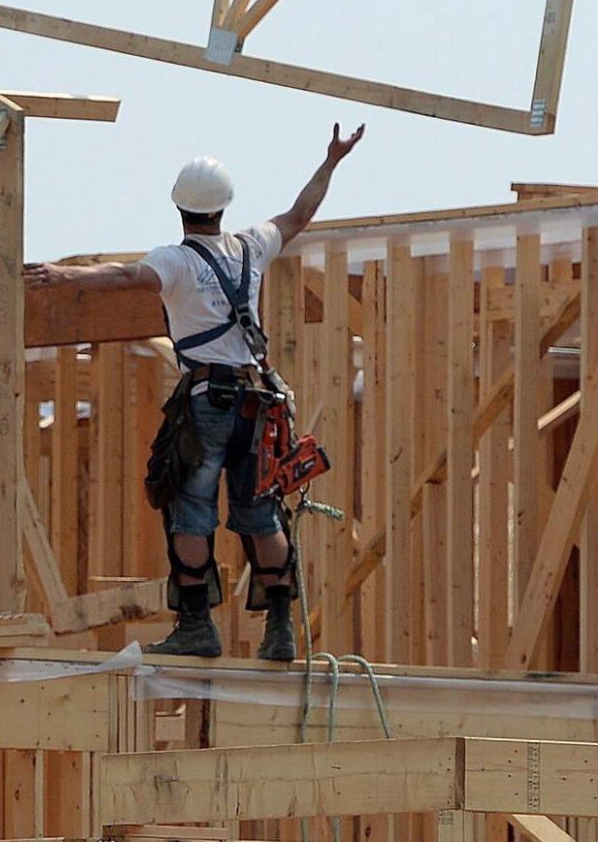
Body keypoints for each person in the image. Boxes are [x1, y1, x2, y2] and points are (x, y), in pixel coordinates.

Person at [23, 123, 365, 661]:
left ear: (179, 207)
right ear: (224, 206)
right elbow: (300, 214)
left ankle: (197, 625)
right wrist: (331, 161)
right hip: (258, 403)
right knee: (259, 514)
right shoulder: (251, 247)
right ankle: (280, 628)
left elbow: (123, 275)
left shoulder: (176, 261)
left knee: (190, 509)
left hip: (208, 402)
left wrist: (63, 277)